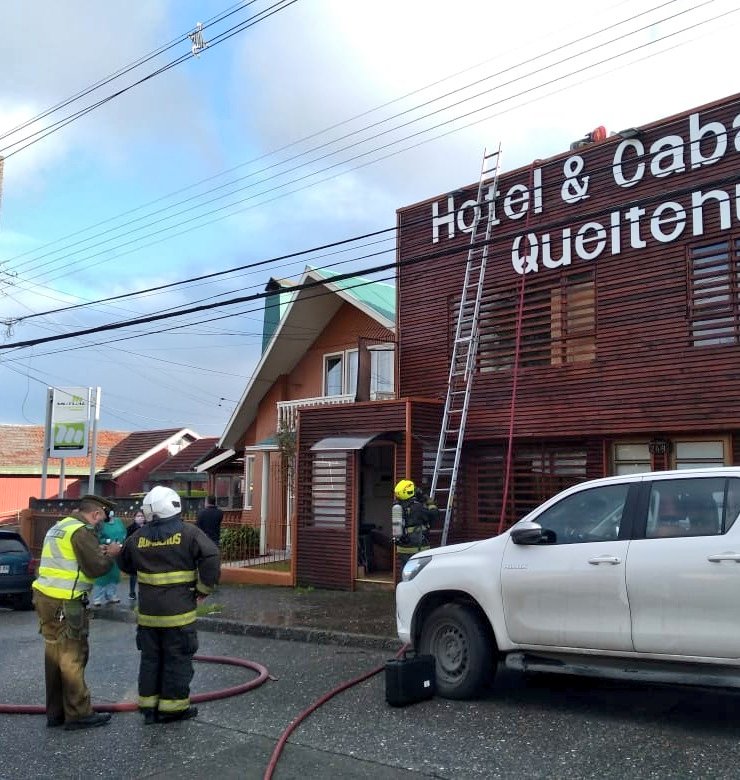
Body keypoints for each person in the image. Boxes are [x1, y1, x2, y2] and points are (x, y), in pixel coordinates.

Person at [118, 485, 220, 725]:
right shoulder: (188, 533)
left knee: (151, 660)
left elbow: (124, 562)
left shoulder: (137, 537)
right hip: (178, 615)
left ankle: (149, 709)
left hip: (148, 616)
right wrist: (204, 589)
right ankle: (173, 710)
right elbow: (211, 556)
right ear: (174, 506)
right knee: (177, 660)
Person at [32, 494, 122, 730]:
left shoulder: (60, 526)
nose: (102, 522)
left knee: (54, 656)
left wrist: (96, 551)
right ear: (95, 514)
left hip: (46, 598)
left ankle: (56, 713)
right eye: (102, 517)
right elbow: (95, 568)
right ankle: (79, 713)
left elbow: (72, 558)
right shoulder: (82, 531)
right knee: (73, 655)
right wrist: (111, 554)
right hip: (66, 601)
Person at [392, 479, 439, 567]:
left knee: (406, 573)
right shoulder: (417, 507)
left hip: (402, 549)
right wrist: (430, 503)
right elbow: (434, 515)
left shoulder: (397, 506)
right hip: (417, 549)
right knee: (418, 575)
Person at [91, 509, 127, 606]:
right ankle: (97, 597)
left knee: (114, 575)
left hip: (117, 551)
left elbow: (124, 533)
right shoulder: (101, 524)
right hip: (106, 551)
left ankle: (111, 595)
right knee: (103, 576)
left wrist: (121, 543)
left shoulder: (118, 521)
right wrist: (107, 542)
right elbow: (97, 537)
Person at [125, 509, 146, 600]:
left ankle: (143, 592)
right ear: (134, 518)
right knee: (133, 575)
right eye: (138, 516)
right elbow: (127, 541)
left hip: (146, 554)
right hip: (134, 553)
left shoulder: (148, 527)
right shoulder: (130, 528)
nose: (140, 518)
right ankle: (132, 592)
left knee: (144, 575)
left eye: (142, 516)